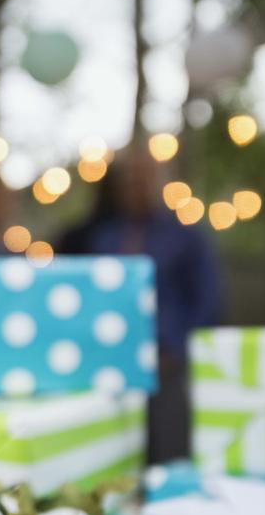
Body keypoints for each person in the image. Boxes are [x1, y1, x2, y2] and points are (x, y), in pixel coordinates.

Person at [57, 147, 223, 462]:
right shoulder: (104, 238)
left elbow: (207, 301)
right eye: (129, 180)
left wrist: (176, 349)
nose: (134, 186)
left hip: (166, 363)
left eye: (143, 178)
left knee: (169, 445)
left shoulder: (185, 238)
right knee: (112, 445)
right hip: (112, 362)